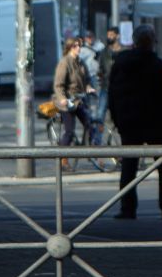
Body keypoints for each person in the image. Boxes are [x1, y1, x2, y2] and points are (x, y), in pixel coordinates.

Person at [108, 24, 162, 219]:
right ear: (151, 43)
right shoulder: (157, 65)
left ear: (134, 42)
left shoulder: (121, 63)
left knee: (129, 166)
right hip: (155, 123)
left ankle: (127, 208)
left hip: (129, 123)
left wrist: (117, 120)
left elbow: (112, 94)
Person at [52, 37, 91, 172]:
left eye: (79, 45)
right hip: (67, 101)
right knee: (69, 131)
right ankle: (63, 159)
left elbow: (86, 79)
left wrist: (89, 87)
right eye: (75, 46)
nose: (78, 48)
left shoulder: (80, 62)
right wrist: (62, 98)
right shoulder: (65, 63)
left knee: (90, 124)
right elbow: (58, 85)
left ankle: (91, 153)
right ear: (69, 48)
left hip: (78, 100)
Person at [95, 26, 122, 126]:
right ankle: (97, 139)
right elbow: (100, 69)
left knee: (120, 115)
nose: (109, 37)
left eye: (111, 35)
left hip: (120, 89)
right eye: (108, 35)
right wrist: (100, 75)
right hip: (106, 88)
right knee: (100, 113)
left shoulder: (123, 52)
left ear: (117, 36)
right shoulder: (104, 52)